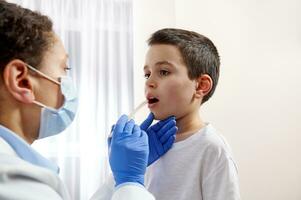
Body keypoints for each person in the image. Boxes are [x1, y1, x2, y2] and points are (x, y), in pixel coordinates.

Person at [0, 1, 177, 199]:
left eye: (163, 72)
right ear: (21, 81)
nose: (150, 82)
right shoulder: (14, 183)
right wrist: (130, 181)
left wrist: (120, 179)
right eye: (64, 68)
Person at [143, 28, 241, 200]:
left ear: (200, 85)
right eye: (147, 74)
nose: (150, 82)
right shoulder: (147, 146)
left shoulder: (212, 149)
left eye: (164, 72)